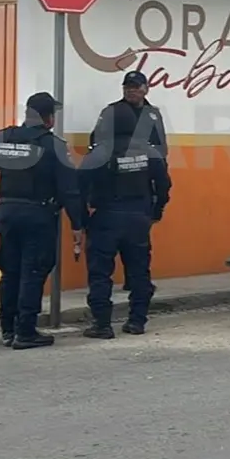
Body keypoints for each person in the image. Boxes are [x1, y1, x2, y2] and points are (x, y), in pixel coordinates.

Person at [0, 92, 84, 349]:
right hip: (38, 215)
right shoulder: (53, 145)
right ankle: (25, 331)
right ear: (48, 118)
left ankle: (7, 329)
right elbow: (69, 189)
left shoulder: (3, 138)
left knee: (9, 271)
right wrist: (78, 224)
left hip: (7, 213)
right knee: (32, 272)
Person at [79, 104, 172, 339]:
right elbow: (164, 185)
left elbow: (78, 187)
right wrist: (156, 210)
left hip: (106, 217)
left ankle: (102, 324)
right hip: (138, 218)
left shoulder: (99, 152)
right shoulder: (149, 152)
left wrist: (80, 220)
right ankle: (137, 321)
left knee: (100, 273)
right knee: (139, 271)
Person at [89, 70, 168, 292]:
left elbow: (161, 146)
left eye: (135, 87)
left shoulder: (153, 114)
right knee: (112, 242)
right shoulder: (112, 111)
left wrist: (160, 174)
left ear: (146, 88)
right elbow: (95, 141)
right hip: (114, 181)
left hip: (144, 178)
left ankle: (136, 280)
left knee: (139, 238)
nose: (131, 91)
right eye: (127, 87)